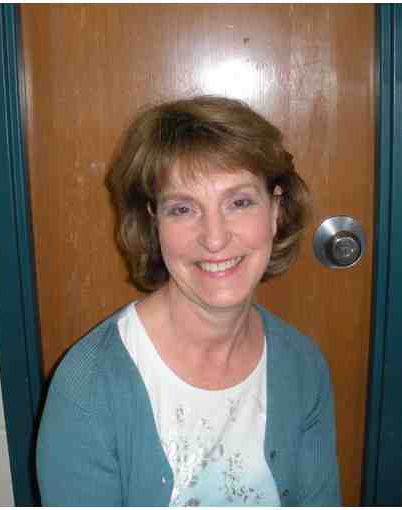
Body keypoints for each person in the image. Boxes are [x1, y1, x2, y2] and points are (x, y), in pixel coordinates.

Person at [35, 95, 340, 506]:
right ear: (154, 222)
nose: (214, 238)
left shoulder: (302, 366)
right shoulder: (87, 389)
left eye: (239, 202)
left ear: (275, 210)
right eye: (182, 209)